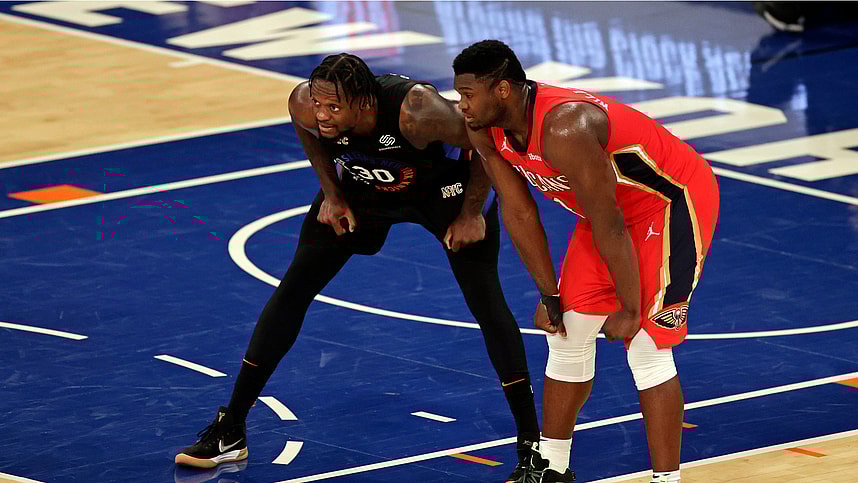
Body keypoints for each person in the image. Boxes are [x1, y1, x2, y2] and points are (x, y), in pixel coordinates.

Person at [174, 53, 542, 483]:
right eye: (319, 105)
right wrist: (331, 193)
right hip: (364, 189)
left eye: (334, 108)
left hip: (444, 195)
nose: (323, 116)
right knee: (293, 289)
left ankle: (532, 444)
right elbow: (308, 130)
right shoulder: (304, 105)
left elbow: (485, 141)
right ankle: (231, 427)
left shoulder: (417, 111)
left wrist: (472, 212)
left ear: (365, 104)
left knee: (486, 303)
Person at [452, 40, 720, 483]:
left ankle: (666, 480)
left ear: (502, 90)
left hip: (668, 204)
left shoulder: (565, 127)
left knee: (648, 347)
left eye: (467, 94)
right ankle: (552, 470)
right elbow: (519, 211)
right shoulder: (485, 128)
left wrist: (631, 308)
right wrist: (548, 292)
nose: (461, 105)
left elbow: (610, 221)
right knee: (566, 334)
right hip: (602, 214)